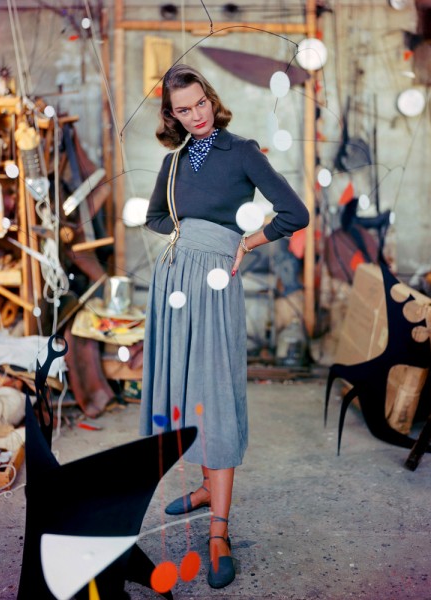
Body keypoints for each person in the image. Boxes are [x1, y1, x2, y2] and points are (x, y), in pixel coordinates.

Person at [140, 63, 309, 589]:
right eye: (182, 110)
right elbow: (154, 218)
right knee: (185, 392)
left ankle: (218, 532)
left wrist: (240, 241)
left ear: (212, 99)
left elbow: (294, 212)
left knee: (214, 393)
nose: (194, 116)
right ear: (171, 113)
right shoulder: (172, 162)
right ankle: (208, 486)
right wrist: (186, 243)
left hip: (214, 284)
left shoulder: (243, 152)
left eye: (200, 104)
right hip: (172, 284)